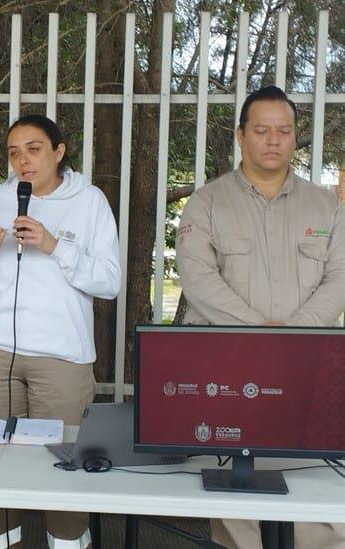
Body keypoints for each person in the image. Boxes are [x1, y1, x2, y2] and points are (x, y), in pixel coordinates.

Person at [176, 85, 345, 549]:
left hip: (310, 368)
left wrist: (293, 337)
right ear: (241, 136)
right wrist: (258, 337)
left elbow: (339, 279)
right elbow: (199, 281)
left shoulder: (327, 207)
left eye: (285, 131)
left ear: (295, 138)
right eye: (262, 130)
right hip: (231, 367)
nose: (274, 140)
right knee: (238, 497)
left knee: (320, 495)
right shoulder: (206, 203)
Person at [0, 114, 121, 549]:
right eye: (13, 152)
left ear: (59, 152)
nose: (22, 160)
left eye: (34, 148)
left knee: (61, 466)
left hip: (61, 358)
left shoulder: (90, 201)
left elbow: (110, 282)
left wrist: (53, 245)